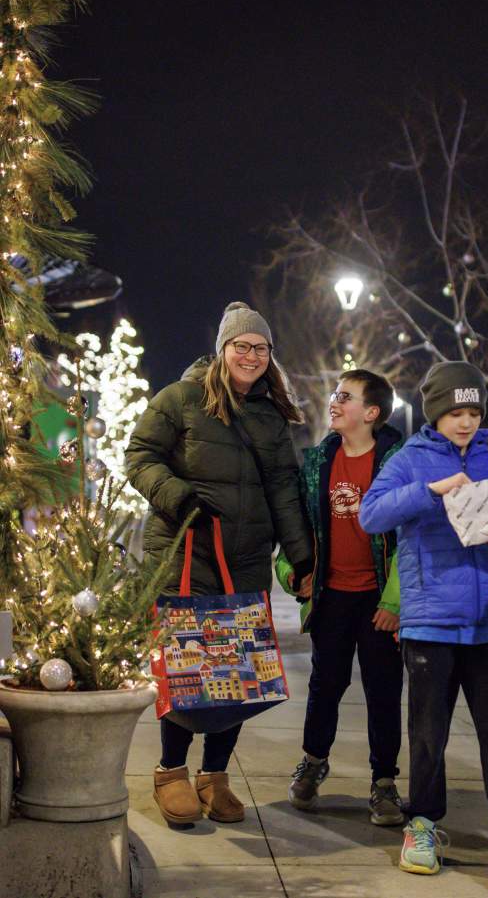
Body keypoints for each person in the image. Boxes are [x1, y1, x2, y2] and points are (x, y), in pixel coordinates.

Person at [360, 360, 488, 893]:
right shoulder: (411, 458)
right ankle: (421, 826)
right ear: (435, 413)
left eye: (472, 412)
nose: (464, 422)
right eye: (454, 412)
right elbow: (371, 514)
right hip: (429, 621)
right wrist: (431, 491)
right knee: (427, 733)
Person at [126, 301, 313, 827]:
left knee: (237, 673)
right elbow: (140, 454)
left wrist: (301, 556)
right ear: (222, 350)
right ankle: (170, 772)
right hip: (187, 554)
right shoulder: (181, 399)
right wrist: (179, 497)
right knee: (190, 668)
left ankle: (214, 775)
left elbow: (283, 489)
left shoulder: (271, 414)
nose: (251, 355)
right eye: (241, 346)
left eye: (260, 348)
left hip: (247, 559)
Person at [275, 369, 405, 825]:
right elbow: (295, 530)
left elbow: (410, 540)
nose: (334, 401)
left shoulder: (397, 463)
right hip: (331, 598)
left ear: (371, 412)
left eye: (344, 397)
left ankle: (384, 782)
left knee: (384, 690)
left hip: (377, 601)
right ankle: (312, 762)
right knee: (324, 685)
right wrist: (295, 574)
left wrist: (394, 602)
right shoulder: (317, 463)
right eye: (334, 394)